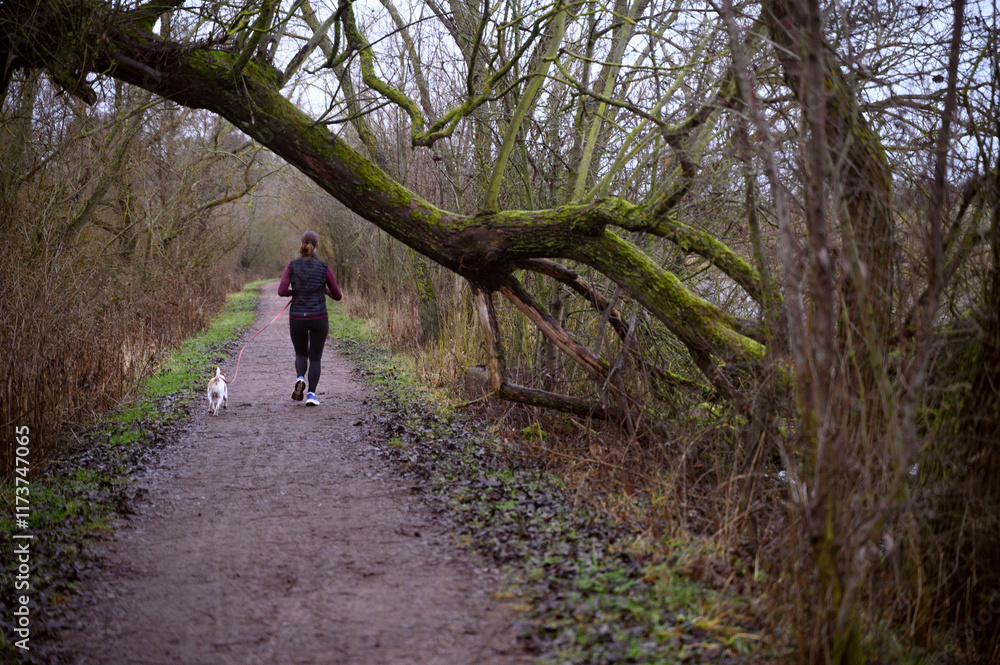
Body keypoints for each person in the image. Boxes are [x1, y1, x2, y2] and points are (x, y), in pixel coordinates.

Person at [277, 230, 342, 406]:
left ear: (302, 245)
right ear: (317, 246)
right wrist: (324, 290)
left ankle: (300, 378)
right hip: (319, 317)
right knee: (315, 358)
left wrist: (295, 292)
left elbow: (282, 291)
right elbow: (337, 295)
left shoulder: (292, 266)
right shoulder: (324, 267)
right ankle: (311, 395)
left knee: (300, 353)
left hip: (297, 317)